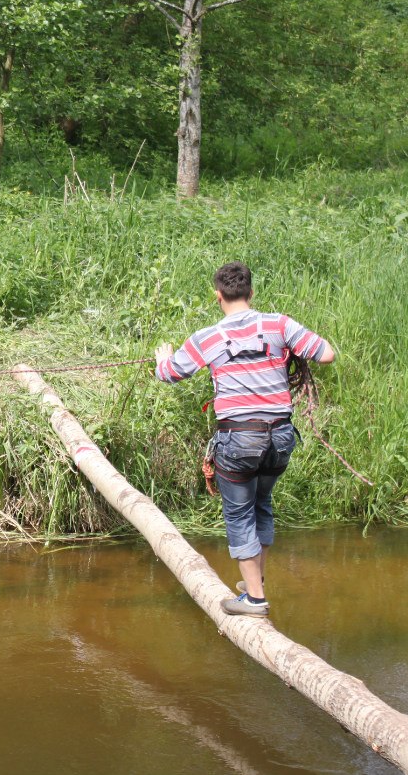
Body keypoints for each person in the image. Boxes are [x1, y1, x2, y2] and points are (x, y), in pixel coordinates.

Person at [154, 262, 334, 617]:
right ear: (251, 293)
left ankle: (254, 599)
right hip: (280, 437)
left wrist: (162, 359)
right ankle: (257, 581)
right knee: (262, 504)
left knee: (238, 515)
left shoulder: (207, 337)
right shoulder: (279, 325)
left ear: (218, 297)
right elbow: (326, 353)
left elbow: (169, 374)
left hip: (238, 439)